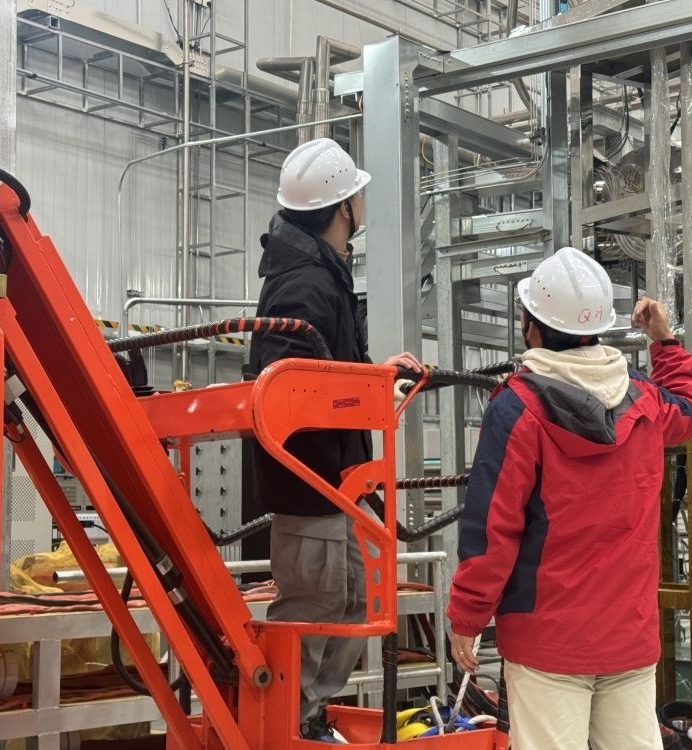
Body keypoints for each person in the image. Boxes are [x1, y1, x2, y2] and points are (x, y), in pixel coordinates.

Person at [446, 246, 692, 750]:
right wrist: (664, 342)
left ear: (532, 327)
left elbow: (492, 527)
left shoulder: (517, 408)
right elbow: (690, 413)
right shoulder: (645, 400)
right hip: (628, 637)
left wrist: (468, 616)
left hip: (548, 644)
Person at [247, 137, 421, 743]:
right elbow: (288, 390)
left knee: (356, 599)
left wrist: (375, 378)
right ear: (343, 207)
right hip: (312, 485)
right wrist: (358, 392)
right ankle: (286, 726)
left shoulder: (323, 276)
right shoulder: (306, 285)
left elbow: (329, 367)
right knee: (312, 607)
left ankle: (308, 716)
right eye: (358, 196)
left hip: (339, 486)